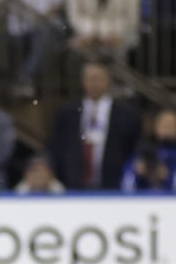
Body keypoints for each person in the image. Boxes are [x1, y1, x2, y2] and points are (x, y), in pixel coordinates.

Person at [47, 59, 140, 190]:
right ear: (83, 81)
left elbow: (134, 148)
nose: (94, 83)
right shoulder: (68, 113)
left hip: (114, 187)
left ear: (109, 81)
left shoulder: (127, 115)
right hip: (74, 187)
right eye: (90, 78)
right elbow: (57, 146)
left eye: (99, 78)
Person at [119, 107, 176, 192]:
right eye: (163, 124)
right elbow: (125, 185)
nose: (166, 128)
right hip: (147, 203)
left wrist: (168, 176)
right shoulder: (145, 149)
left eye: (170, 125)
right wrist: (137, 174)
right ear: (156, 126)